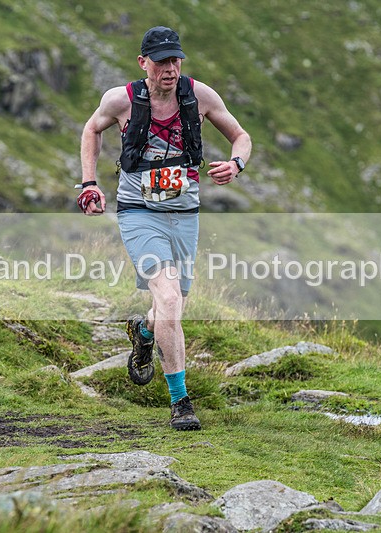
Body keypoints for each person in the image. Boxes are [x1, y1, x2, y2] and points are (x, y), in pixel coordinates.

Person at [78, 26, 251, 430]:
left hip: (184, 214)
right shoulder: (121, 100)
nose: (170, 69)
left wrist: (236, 164)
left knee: (169, 311)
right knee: (170, 301)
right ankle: (181, 403)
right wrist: (90, 184)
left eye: (175, 60)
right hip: (138, 211)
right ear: (144, 64)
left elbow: (241, 136)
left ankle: (143, 331)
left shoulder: (200, 96)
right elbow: (91, 129)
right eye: (161, 62)